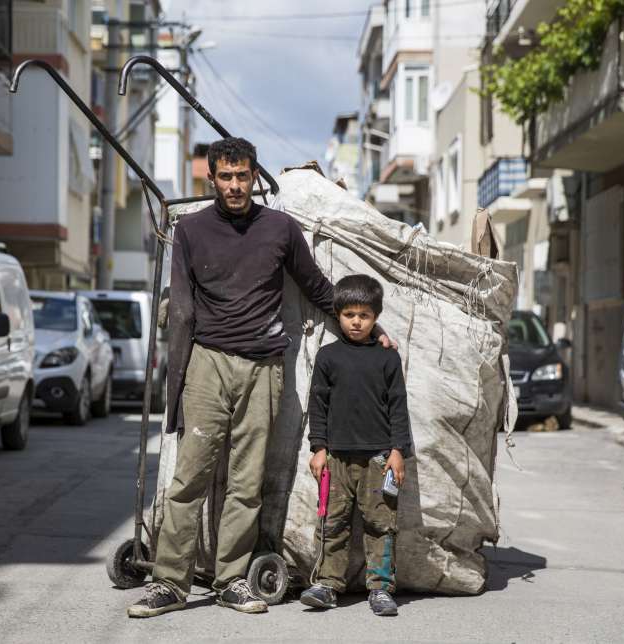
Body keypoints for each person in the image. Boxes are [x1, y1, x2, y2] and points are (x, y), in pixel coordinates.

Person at [128, 138, 393, 618]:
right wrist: (178, 376)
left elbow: (316, 288)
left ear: (255, 177)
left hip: (265, 366)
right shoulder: (191, 231)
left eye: (242, 176)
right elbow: (183, 305)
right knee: (191, 477)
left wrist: (373, 330)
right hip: (207, 363)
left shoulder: (280, 229)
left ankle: (231, 579)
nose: (234, 185)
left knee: (247, 482)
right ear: (211, 179)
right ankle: (169, 583)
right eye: (225, 177)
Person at [300, 274, 412, 617]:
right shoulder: (328, 356)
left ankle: (380, 589)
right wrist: (318, 447)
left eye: (364, 315)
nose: (356, 321)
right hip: (335, 459)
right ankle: (327, 584)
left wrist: (398, 451)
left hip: (379, 459)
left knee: (381, 525)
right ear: (338, 315)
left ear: (375, 316)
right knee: (331, 523)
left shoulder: (387, 358)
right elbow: (317, 405)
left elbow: (398, 405)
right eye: (349, 314)